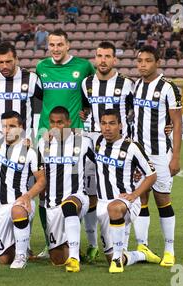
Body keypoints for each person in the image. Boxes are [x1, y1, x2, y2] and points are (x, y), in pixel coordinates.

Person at [0, 42, 43, 259]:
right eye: (0, 62)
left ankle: (23, 244)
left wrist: (36, 135)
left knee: (25, 193)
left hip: (23, 145)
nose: (4, 65)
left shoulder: (31, 79)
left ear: (16, 59)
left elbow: (48, 102)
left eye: (8, 61)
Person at [35, 28, 95, 258]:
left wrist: (87, 110)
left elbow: (92, 93)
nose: (56, 49)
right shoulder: (42, 68)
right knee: (45, 190)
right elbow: (41, 98)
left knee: (83, 189)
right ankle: (51, 241)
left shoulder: (83, 66)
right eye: (52, 45)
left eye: (60, 44)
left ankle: (90, 242)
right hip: (46, 136)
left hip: (75, 138)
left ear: (68, 45)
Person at [80, 41, 136, 263]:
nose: (102, 60)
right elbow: (85, 108)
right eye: (99, 56)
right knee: (93, 194)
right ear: (95, 58)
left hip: (118, 144)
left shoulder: (127, 84)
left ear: (115, 60)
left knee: (121, 191)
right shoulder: (86, 84)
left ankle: (124, 245)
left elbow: (136, 112)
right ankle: (95, 243)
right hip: (93, 142)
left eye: (107, 56)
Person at [91, 109, 160, 273]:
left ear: (120, 126)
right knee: (114, 256)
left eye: (112, 123)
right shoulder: (98, 140)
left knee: (114, 208)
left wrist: (134, 195)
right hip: (102, 205)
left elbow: (152, 175)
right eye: (104, 123)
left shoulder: (132, 147)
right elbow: (71, 133)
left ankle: (117, 259)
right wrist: (48, 135)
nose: (107, 128)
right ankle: (140, 254)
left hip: (126, 202)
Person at [132, 46, 183, 267]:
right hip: (138, 153)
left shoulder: (168, 87)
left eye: (148, 61)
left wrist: (176, 157)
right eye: (140, 61)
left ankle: (169, 249)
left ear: (157, 62)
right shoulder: (135, 85)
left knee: (162, 199)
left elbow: (178, 122)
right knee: (140, 198)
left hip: (161, 153)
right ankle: (142, 246)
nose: (143, 64)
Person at [37, 106, 94, 272]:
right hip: (52, 206)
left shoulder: (83, 141)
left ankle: (74, 258)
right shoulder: (43, 143)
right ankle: (72, 249)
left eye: (60, 123)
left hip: (77, 197)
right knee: (57, 259)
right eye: (53, 123)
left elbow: (102, 162)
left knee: (68, 204)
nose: (56, 127)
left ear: (68, 122)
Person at [0, 111, 46, 268]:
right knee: (4, 260)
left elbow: (42, 180)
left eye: (12, 126)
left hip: (19, 202)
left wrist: (28, 196)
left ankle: (21, 256)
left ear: (21, 128)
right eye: (4, 126)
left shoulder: (30, 151)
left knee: (18, 211)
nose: (7, 130)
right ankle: (18, 245)